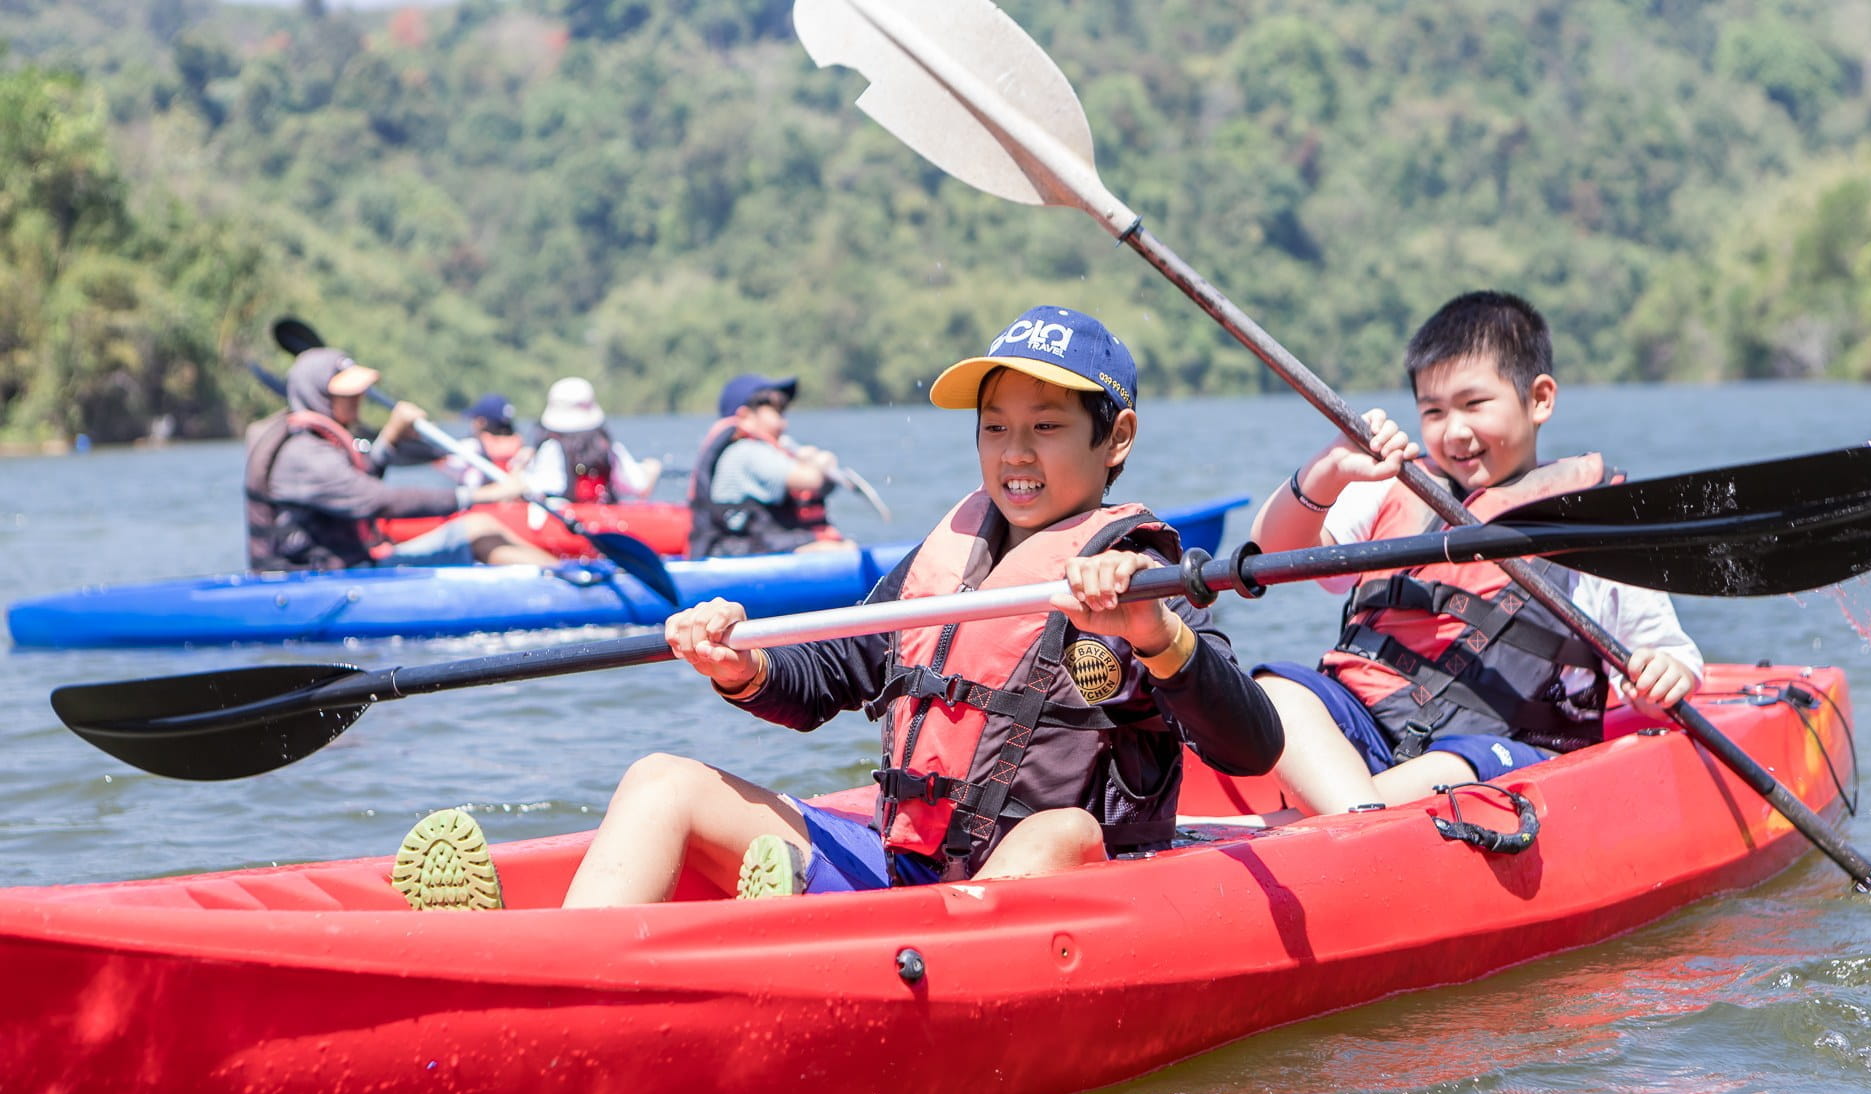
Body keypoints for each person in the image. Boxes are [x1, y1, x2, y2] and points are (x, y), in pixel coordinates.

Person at [394, 305, 1283, 911]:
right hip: (907, 876)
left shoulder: (1140, 572)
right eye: (994, 426)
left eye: (1046, 426)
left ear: (1114, 438)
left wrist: (1154, 635)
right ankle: (561, 977)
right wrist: (742, 665)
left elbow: (1251, 745)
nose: (1014, 452)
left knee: (1062, 829)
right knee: (663, 779)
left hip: (1059, 904)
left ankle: (816, 948)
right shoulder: (953, 554)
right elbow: (828, 676)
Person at [1246, 289, 1703, 815]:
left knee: (1449, 770)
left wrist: (1664, 674)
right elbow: (1271, 554)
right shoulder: (1391, 487)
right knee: (1276, 690)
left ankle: (1305, 825)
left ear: (1540, 399)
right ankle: (1347, 818)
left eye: (1474, 404)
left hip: (1503, 750)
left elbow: (1668, 651)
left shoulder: (1594, 521)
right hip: (1370, 726)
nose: (1455, 431)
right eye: (1433, 411)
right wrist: (1326, 470)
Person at [244, 347, 556, 571]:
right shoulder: (303, 454)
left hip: (348, 564)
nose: (358, 399)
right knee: (477, 528)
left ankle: (573, 578)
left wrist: (390, 439)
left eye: (359, 392)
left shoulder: (320, 442)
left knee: (481, 526)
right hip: (317, 578)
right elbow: (377, 501)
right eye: (347, 394)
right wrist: (481, 495)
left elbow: (359, 485)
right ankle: (579, 587)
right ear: (319, 396)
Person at [687, 372, 851, 557]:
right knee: (837, 549)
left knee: (832, 545)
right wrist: (820, 463)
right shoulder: (747, 451)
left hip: (751, 543)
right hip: (733, 550)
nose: (784, 423)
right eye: (777, 412)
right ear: (746, 416)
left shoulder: (757, 450)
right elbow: (810, 479)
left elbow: (815, 491)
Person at [525, 377, 663, 504]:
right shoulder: (608, 448)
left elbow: (536, 487)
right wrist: (652, 469)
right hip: (602, 519)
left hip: (562, 519)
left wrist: (519, 470)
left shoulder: (551, 448)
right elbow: (639, 485)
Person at [442, 392, 530, 488]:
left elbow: (441, 462)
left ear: (481, 422)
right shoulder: (524, 450)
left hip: (483, 499)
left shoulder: (471, 447)